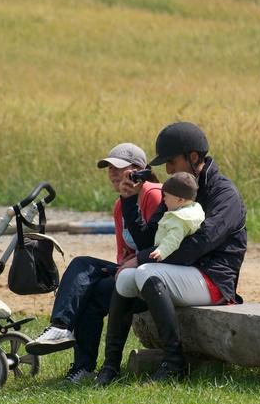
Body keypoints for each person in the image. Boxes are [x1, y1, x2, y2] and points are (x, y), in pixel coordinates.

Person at [95, 122, 248, 386]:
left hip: (213, 282)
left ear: (194, 157)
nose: (167, 170)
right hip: (181, 275)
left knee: (144, 270)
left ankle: (174, 365)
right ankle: (110, 367)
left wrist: (142, 258)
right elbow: (149, 239)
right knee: (126, 278)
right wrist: (129, 200)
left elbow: (199, 245)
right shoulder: (177, 188)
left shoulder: (225, 194)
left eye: (171, 162)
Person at [25, 143, 162, 383]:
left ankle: (69, 340)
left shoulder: (153, 194)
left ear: (139, 170)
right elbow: (124, 255)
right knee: (83, 268)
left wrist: (133, 260)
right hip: (132, 273)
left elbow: (158, 245)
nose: (113, 173)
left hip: (157, 279)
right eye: (109, 168)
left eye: (119, 167)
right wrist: (127, 262)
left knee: (91, 289)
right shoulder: (120, 205)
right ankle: (72, 349)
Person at [115, 172, 204, 297]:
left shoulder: (179, 219)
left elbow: (173, 239)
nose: (163, 199)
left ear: (180, 200)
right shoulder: (190, 209)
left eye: (166, 196)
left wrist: (161, 251)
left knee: (138, 274)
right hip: (175, 260)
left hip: (173, 260)